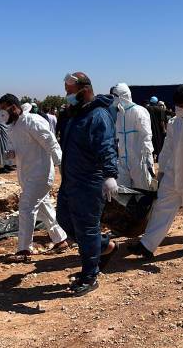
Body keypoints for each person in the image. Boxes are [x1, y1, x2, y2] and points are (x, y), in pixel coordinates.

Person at [128, 85, 183, 257]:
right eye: (176, 105)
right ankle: (147, 245)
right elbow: (167, 148)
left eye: (181, 105)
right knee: (162, 206)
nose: (178, 109)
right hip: (172, 174)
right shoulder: (174, 122)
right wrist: (160, 173)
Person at [57, 72, 119, 295]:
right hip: (71, 181)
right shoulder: (77, 114)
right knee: (63, 219)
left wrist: (110, 174)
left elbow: (106, 145)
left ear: (84, 90)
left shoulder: (98, 115)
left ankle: (90, 276)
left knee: (86, 229)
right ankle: (106, 246)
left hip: (90, 182)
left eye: (70, 91)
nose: (67, 95)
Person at [0, 94, 68, 262]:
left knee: (27, 207)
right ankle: (61, 239)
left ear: (14, 107)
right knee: (44, 207)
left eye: (3, 109)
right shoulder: (13, 126)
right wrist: (11, 154)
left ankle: (24, 250)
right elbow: (17, 149)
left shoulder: (32, 121)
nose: (1, 113)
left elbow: (51, 143)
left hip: (40, 174)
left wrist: (62, 166)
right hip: (26, 175)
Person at [111, 83, 154, 190]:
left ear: (122, 96)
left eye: (115, 96)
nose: (113, 99)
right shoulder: (120, 114)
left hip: (139, 160)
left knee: (142, 190)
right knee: (124, 191)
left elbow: (146, 135)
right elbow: (118, 136)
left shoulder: (139, 111)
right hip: (123, 160)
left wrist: (148, 157)